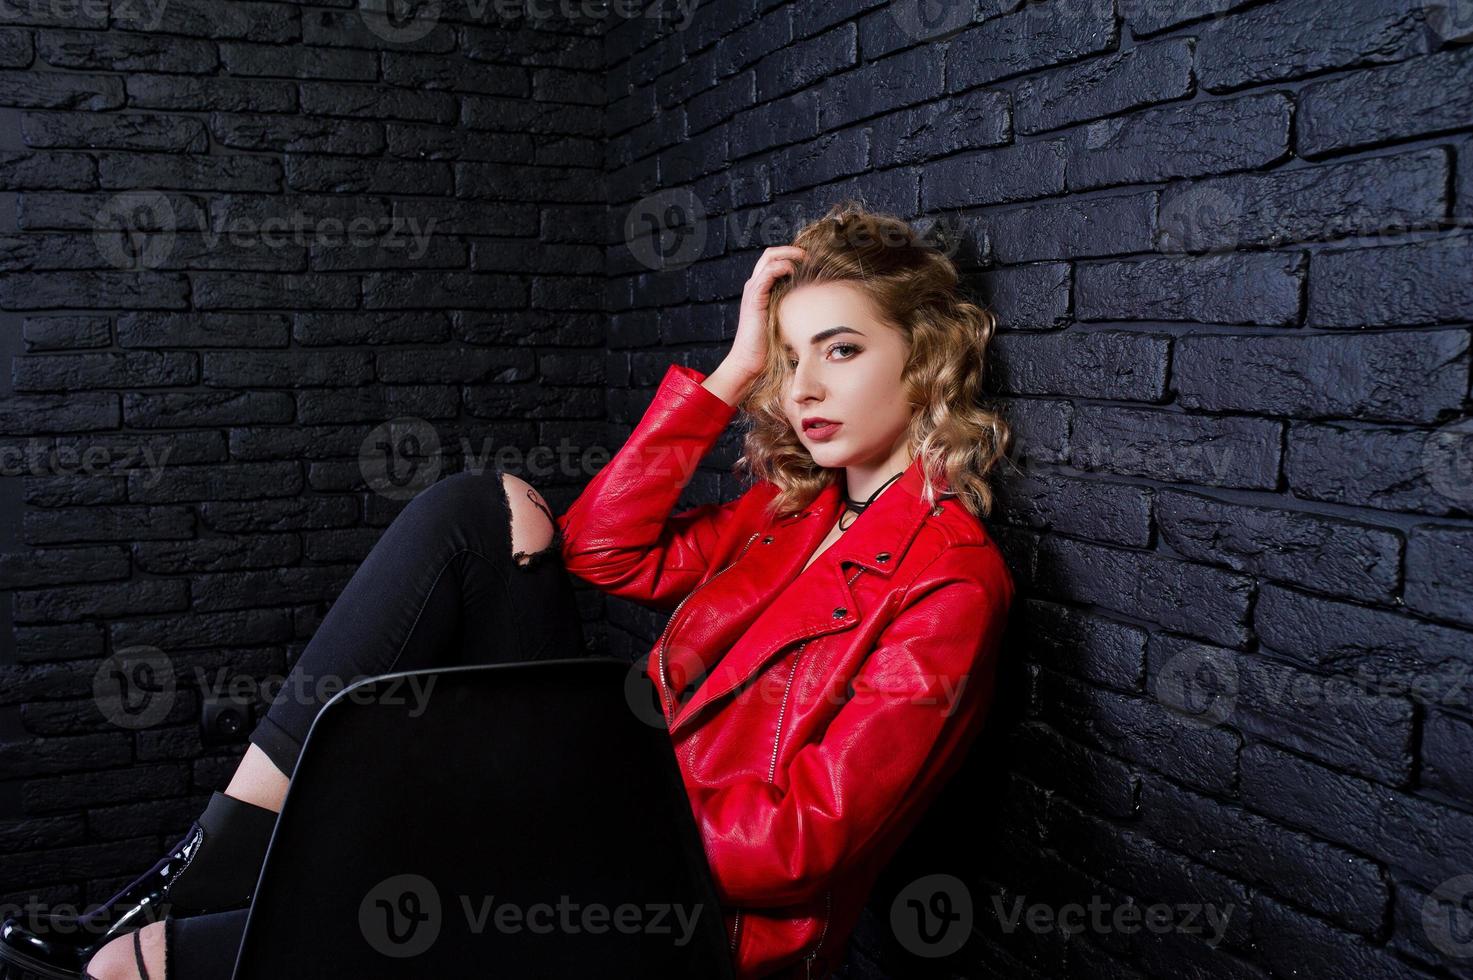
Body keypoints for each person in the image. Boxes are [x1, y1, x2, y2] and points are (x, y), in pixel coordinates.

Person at [0, 199, 1015, 980]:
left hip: (682, 909)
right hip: (601, 815)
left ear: (923, 362)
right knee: (478, 515)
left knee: (143, 962)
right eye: (790, 360)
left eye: (840, 351)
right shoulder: (790, 510)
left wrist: (584, 808)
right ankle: (203, 867)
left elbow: (801, 847)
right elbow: (601, 552)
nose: (802, 390)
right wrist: (728, 370)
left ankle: (187, 895)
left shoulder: (949, 580)